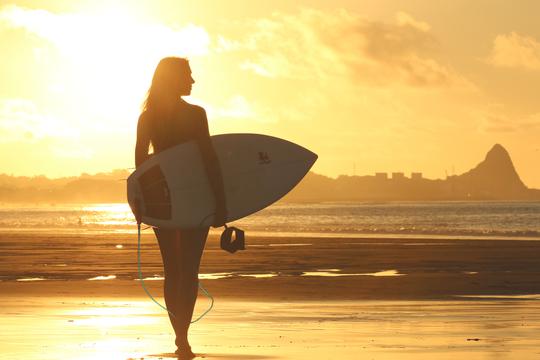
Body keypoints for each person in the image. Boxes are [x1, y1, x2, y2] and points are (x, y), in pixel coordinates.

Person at [135, 57, 227, 359]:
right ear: (173, 78)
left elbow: (140, 166)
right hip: (195, 199)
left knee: (173, 270)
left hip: (164, 201)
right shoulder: (195, 114)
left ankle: (181, 336)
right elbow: (209, 160)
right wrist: (221, 203)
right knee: (188, 270)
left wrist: (144, 204)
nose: (193, 80)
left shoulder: (148, 118)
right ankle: (182, 337)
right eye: (188, 74)